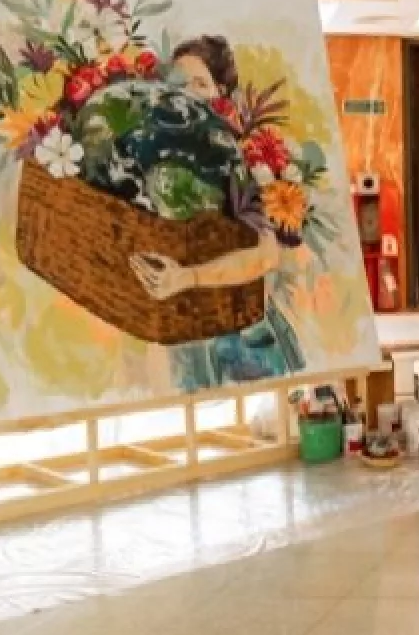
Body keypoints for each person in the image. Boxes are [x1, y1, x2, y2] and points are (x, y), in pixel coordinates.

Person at [130, 35, 306, 389]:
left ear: (222, 95)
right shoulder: (151, 152)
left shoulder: (244, 160)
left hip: (243, 341)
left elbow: (267, 256)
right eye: (179, 82)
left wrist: (188, 278)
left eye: (200, 83)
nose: (187, 93)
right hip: (186, 340)